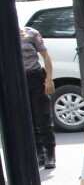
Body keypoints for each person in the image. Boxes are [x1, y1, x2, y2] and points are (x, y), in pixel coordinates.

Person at [19, 23, 56, 170]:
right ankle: (38, 153)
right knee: (26, 120)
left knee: (42, 117)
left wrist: (49, 79)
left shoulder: (30, 33)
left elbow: (46, 56)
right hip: (15, 81)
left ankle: (49, 154)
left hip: (34, 77)